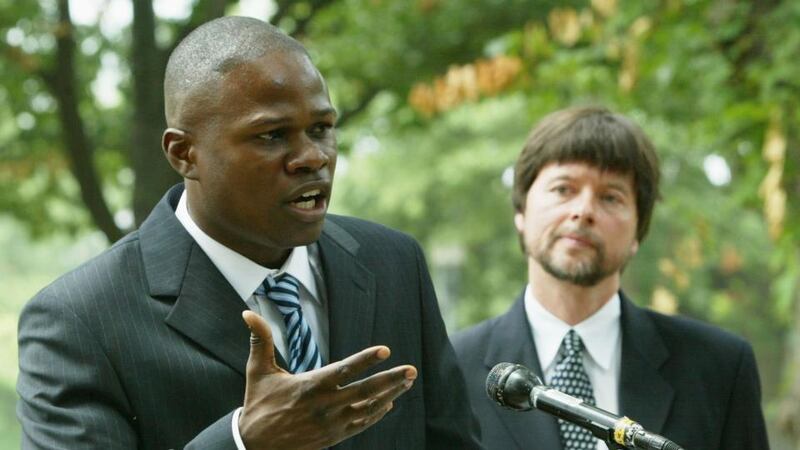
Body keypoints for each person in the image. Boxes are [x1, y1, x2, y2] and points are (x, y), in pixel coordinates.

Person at [17, 16, 481, 449]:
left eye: (321, 128)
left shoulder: (393, 263)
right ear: (184, 154)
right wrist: (243, 441)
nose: (311, 157)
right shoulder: (79, 320)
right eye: (272, 135)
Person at [451, 106, 769, 450]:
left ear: (638, 233)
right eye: (563, 189)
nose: (584, 211)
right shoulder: (449, 369)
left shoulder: (719, 367)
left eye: (610, 197)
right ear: (521, 211)